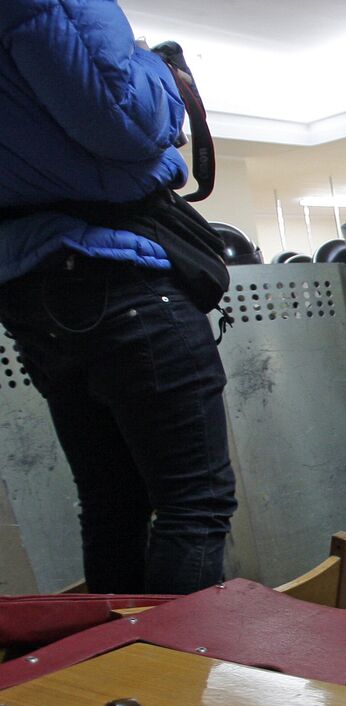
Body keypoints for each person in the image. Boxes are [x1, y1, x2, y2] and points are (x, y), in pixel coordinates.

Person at [0, 0, 237, 595]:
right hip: (121, 279)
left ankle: (117, 684)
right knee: (195, 506)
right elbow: (126, 120)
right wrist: (153, 64)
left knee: (112, 507)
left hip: (31, 290)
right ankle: (174, 682)